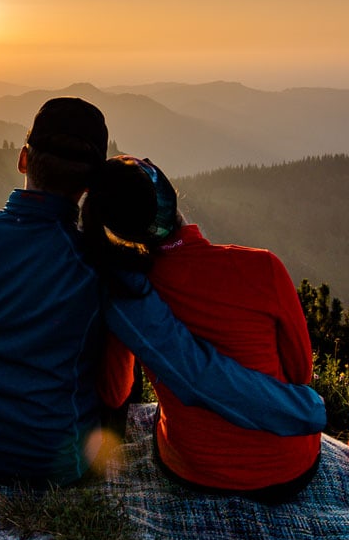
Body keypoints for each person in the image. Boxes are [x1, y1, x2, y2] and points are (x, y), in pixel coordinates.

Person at [0, 97, 325, 488]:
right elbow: (125, 387)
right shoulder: (100, 270)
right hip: (59, 464)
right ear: (89, 186)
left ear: (23, 159)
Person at [83, 155, 321, 503]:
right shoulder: (263, 268)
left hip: (193, 470)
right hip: (290, 467)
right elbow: (301, 374)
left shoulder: (127, 293)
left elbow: (116, 392)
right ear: (168, 195)